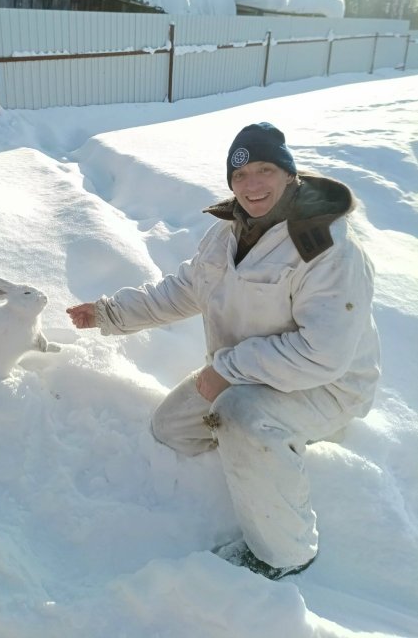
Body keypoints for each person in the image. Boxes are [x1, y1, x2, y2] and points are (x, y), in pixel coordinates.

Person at [67, 122, 380, 581]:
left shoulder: (327, 248)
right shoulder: (229, 231)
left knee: (240, 415)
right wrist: (111, 314)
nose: (251, 184)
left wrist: (228, 372)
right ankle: (253, 443)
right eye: (240, 175)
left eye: (264, 170)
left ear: (289, 174)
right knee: (171, 428)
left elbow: (322, 355)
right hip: (245, 374)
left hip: (327, 385)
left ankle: (285, 552)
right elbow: (184, 291)